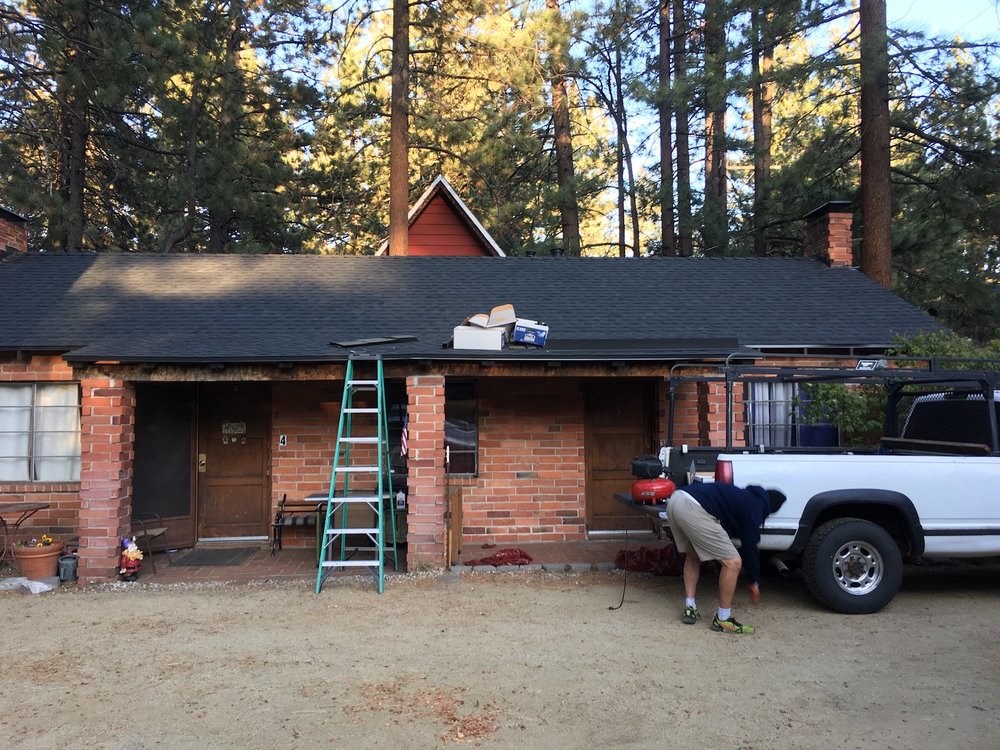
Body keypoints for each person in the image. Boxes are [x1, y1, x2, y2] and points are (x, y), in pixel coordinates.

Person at [665, 481, 785, 634]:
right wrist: (753, 580)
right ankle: (723, 619)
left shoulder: (743, 496)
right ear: (770, 509)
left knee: (693, 554)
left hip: (676, 499)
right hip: (692, 508)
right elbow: (750, 547)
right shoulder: (756, 507)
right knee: (733, 563)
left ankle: (690, 607)